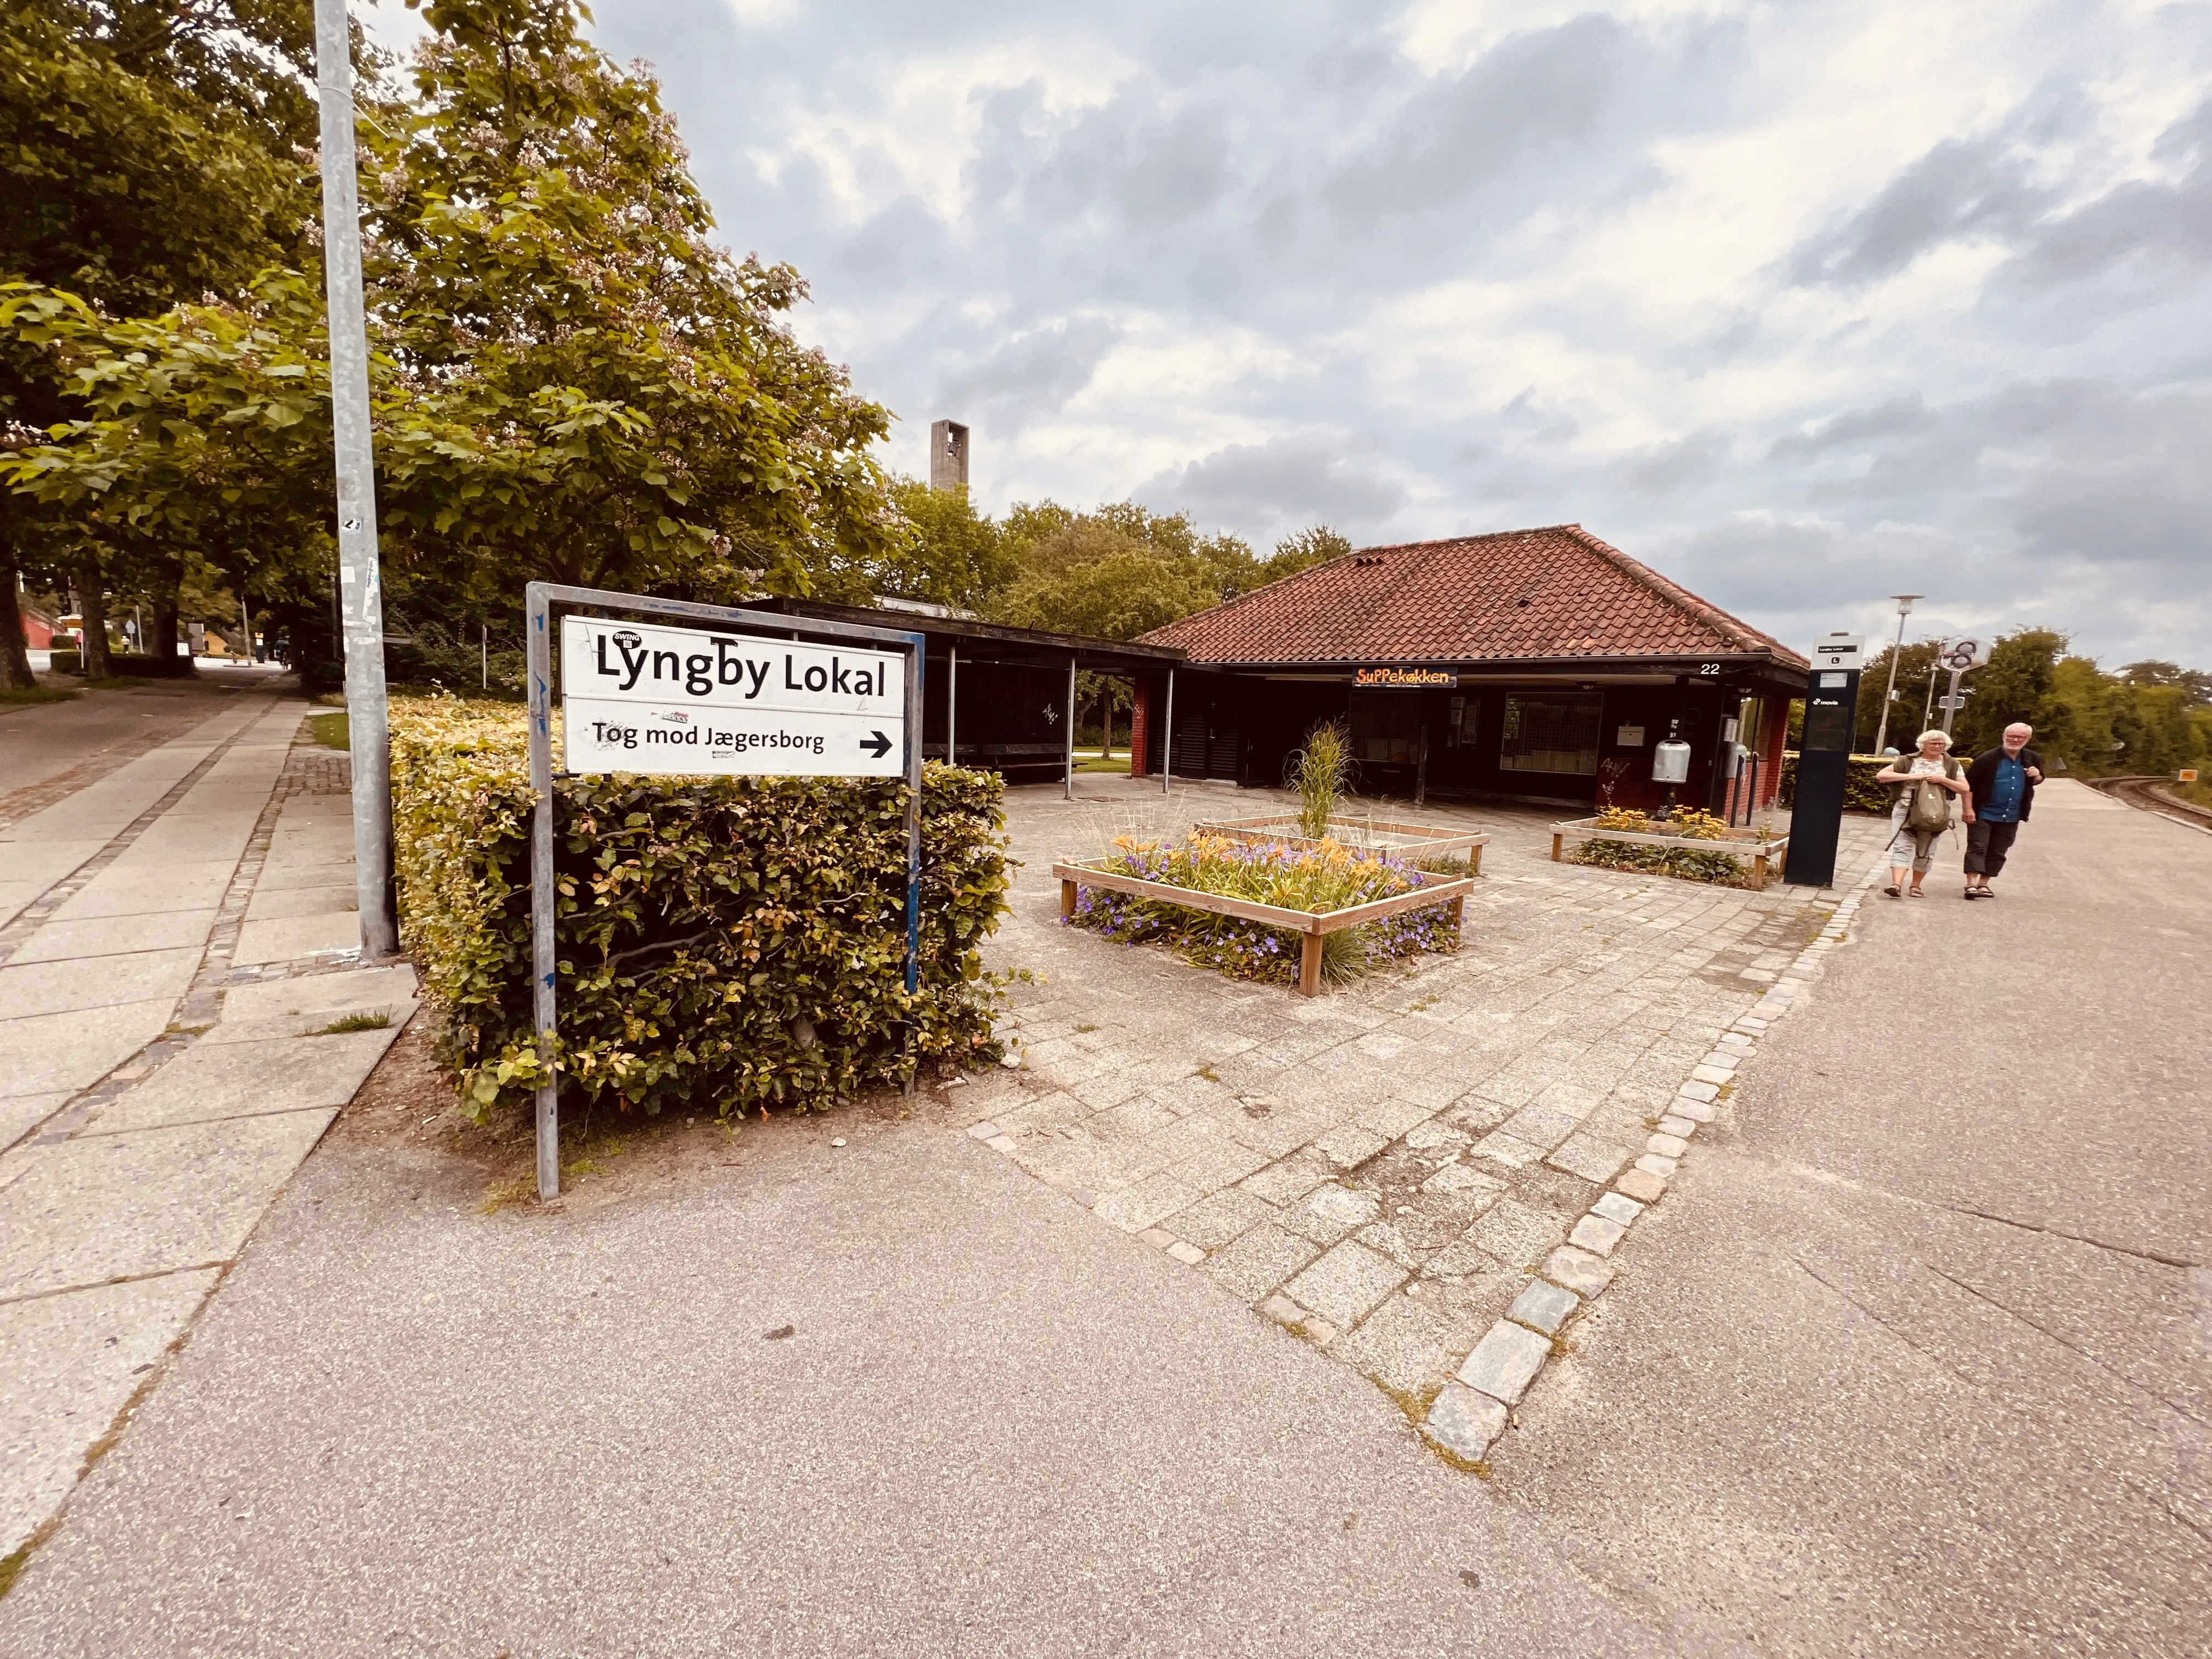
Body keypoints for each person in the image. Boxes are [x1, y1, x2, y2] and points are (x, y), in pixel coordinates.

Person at [1874, 731, 1971, 897]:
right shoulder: (1908, 760)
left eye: (1941, 744)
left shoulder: (1952, 764)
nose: (1937, 746)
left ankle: (1916, 885)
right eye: (1933, 743)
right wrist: (1915, 776)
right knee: (1901, 846)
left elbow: (1964, 788)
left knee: (1925, 850)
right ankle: (1896, 885)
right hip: (1906, 809)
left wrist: (1943, 780)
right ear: (1922, 745)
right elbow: (1882, 775)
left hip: (1936, 813)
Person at [1962, 722, 2043, 899]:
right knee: (1978, 847)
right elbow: (1968, 786)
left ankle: (1984, 884)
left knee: (1999, 850)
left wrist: (2037, 775)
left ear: (2028, 739)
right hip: (1984, 811)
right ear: (2004, 736)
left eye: (2021, 737)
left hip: (2012, 814)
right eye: (2012, 736)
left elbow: (2037, 780)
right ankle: (1971, 884)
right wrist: (1968, 809)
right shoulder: (1987, 759)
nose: (2015, 740)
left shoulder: (2031, 758)